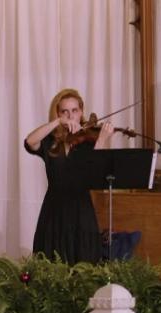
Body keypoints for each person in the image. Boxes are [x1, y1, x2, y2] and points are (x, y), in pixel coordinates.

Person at [24, 88, 114, 264]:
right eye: (64, 111)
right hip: (54, 210)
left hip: (81, 210)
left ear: (81, 112)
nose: (70, 115)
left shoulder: (89, 140)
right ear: (58, 113)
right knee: (51, 261)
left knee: (84, 262)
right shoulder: (50, 141)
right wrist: (57, 122)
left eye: (74, 110)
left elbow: (94, 173)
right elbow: (30, 141)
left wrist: (102, 139)